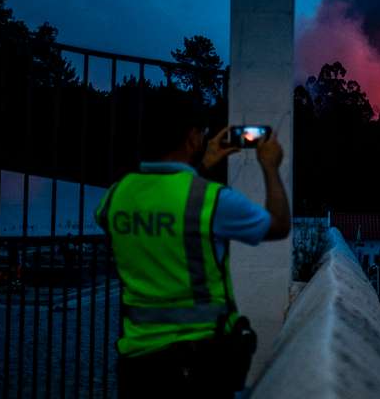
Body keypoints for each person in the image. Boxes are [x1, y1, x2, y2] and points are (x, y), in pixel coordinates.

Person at [95, 92, 290, 398]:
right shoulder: (210, 199)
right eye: (201, 133)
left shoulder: (114, 197)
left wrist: (203, 165)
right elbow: (278, 225)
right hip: (199, 363)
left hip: (136, 363)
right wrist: (270, 166)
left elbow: (165, 210)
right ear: (191, 138)